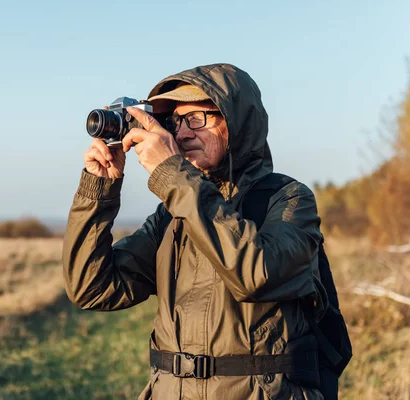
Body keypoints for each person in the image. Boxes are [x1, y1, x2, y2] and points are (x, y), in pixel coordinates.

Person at [63, 63, 328, 400]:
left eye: (198, 119)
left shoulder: (289, 199)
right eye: (176, 122)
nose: (184, 133)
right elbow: (93, 288)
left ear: (237, 123)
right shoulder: (173, 215)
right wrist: (99, 189)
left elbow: (256, 273)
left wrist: (174, 176)